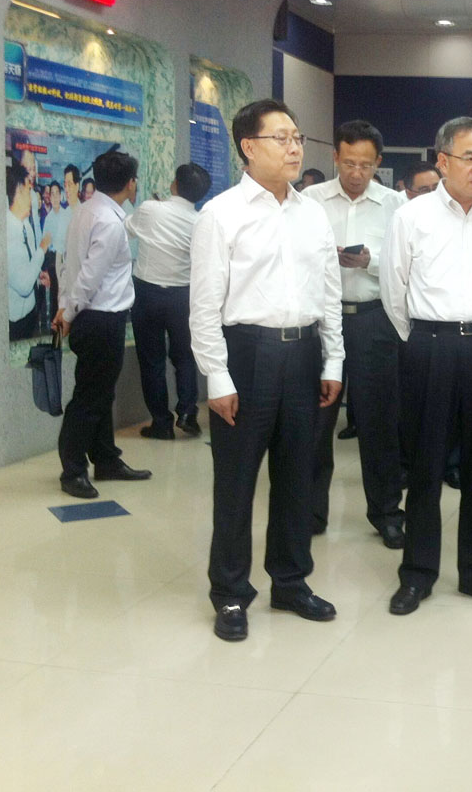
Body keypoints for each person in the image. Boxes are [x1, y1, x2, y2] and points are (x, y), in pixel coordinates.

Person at [190, 98, 344, 642]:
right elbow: (204, 307)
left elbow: (329, 291)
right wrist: (217, 376)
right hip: (246, 355)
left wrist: (333, 359)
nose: (295, 147)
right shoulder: (221, 214)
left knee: (298, 477)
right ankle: (231, 593)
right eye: (282, 138)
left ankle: (291, 581)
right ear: (249, 147)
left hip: (303, 355)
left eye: (297, 137)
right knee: (236, 483)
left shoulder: (312, 213)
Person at [381, 116, 472, 616]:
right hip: (429, 345)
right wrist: (425, 338)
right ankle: (418, 573)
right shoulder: (411, 217)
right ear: (442, 161)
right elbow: (394, 290)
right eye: (469, 158)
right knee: (425, 463)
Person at [304, 120, 406, 549]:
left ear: (378, 163)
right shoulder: (309, 201)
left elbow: (406, 264)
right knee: (315, 421)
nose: (356, 172)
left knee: (379, 421)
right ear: (335, 158)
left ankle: (386, 512)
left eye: (365, 165)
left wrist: (369, 261)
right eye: (348, 163)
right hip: (320, 322)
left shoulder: (396, 205)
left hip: (373, 320)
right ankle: (310, 512)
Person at [53, 151, 151, 501]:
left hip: (92, 317)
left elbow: (69, 266)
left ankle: (106, 460)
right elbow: (89, 278)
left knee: (100, 393)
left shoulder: (86, 210)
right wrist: (68, 313)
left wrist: (65, 306)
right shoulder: (109, 221)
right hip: (100, 320)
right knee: (90, 398)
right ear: (130, 183)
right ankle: (72, 470)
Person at [125, 162, 212, 440]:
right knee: (184, 357)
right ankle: (187, 413)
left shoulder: (151, 209)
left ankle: (161, 423)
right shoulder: (201, 221)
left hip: (147, 294)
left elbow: (127, 228)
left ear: (174, 184)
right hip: (182, 297)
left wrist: (155, 210)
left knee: (152, 361)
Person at [7, 164, 50, 340]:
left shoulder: (26, 224)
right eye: (28, 191)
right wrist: (42, 249)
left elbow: (28, 263)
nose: (31, 198)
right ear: (18, 192)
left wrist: (38, 276)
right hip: (14, 323)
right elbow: (24, 286)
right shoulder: (6, 232)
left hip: (30, 313)